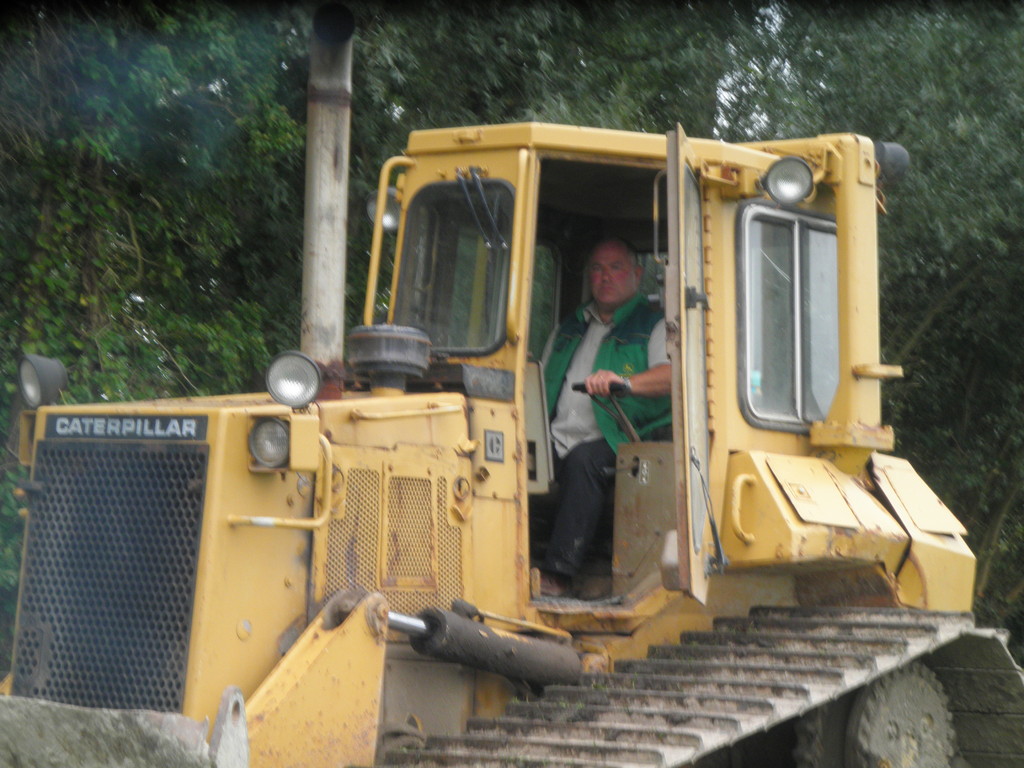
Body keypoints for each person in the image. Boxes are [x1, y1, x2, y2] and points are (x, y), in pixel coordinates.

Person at [539, 238, 672, 597]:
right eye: (597, 268)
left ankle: (558, 575)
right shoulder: (570, 327)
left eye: (615, 267)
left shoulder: (654, 325)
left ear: (637, 274)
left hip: (624, 439)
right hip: (555, 435)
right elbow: (538, 377)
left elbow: (671, 376)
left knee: (585, 462)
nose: (605, 276)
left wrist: (623, 382)